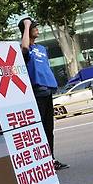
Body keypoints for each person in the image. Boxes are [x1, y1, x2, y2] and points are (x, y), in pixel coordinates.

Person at [19, 17, 68, 170]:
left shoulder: (42, 48)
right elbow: (25, 48)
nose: (37, 29)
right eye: (34, 27)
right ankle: (41, 162)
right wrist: (26, 25)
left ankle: (51, 160)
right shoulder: (25, 48)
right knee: (39, 129)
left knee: (48, 128)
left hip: (47, 91)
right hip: (36, 92)